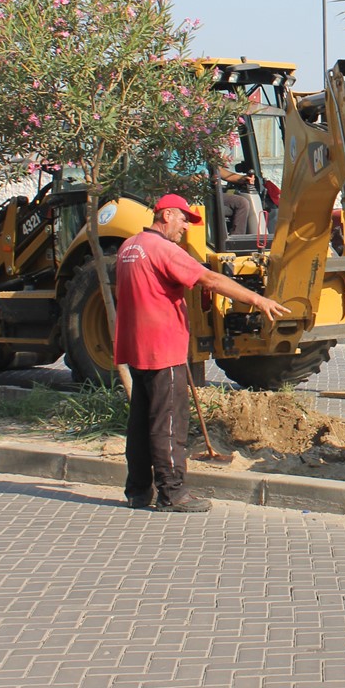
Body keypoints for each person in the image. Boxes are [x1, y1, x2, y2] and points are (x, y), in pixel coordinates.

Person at [115, 193, 289, 512]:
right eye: (182, 219)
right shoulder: (163, 250)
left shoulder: (130, 247)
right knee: (168, 422)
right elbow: (209, 277)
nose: (184, 227)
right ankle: (173, 493)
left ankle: (138, 491)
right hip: (162, 347)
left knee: (140, 422)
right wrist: (258, 300)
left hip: (135, 345)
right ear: (166, 215)